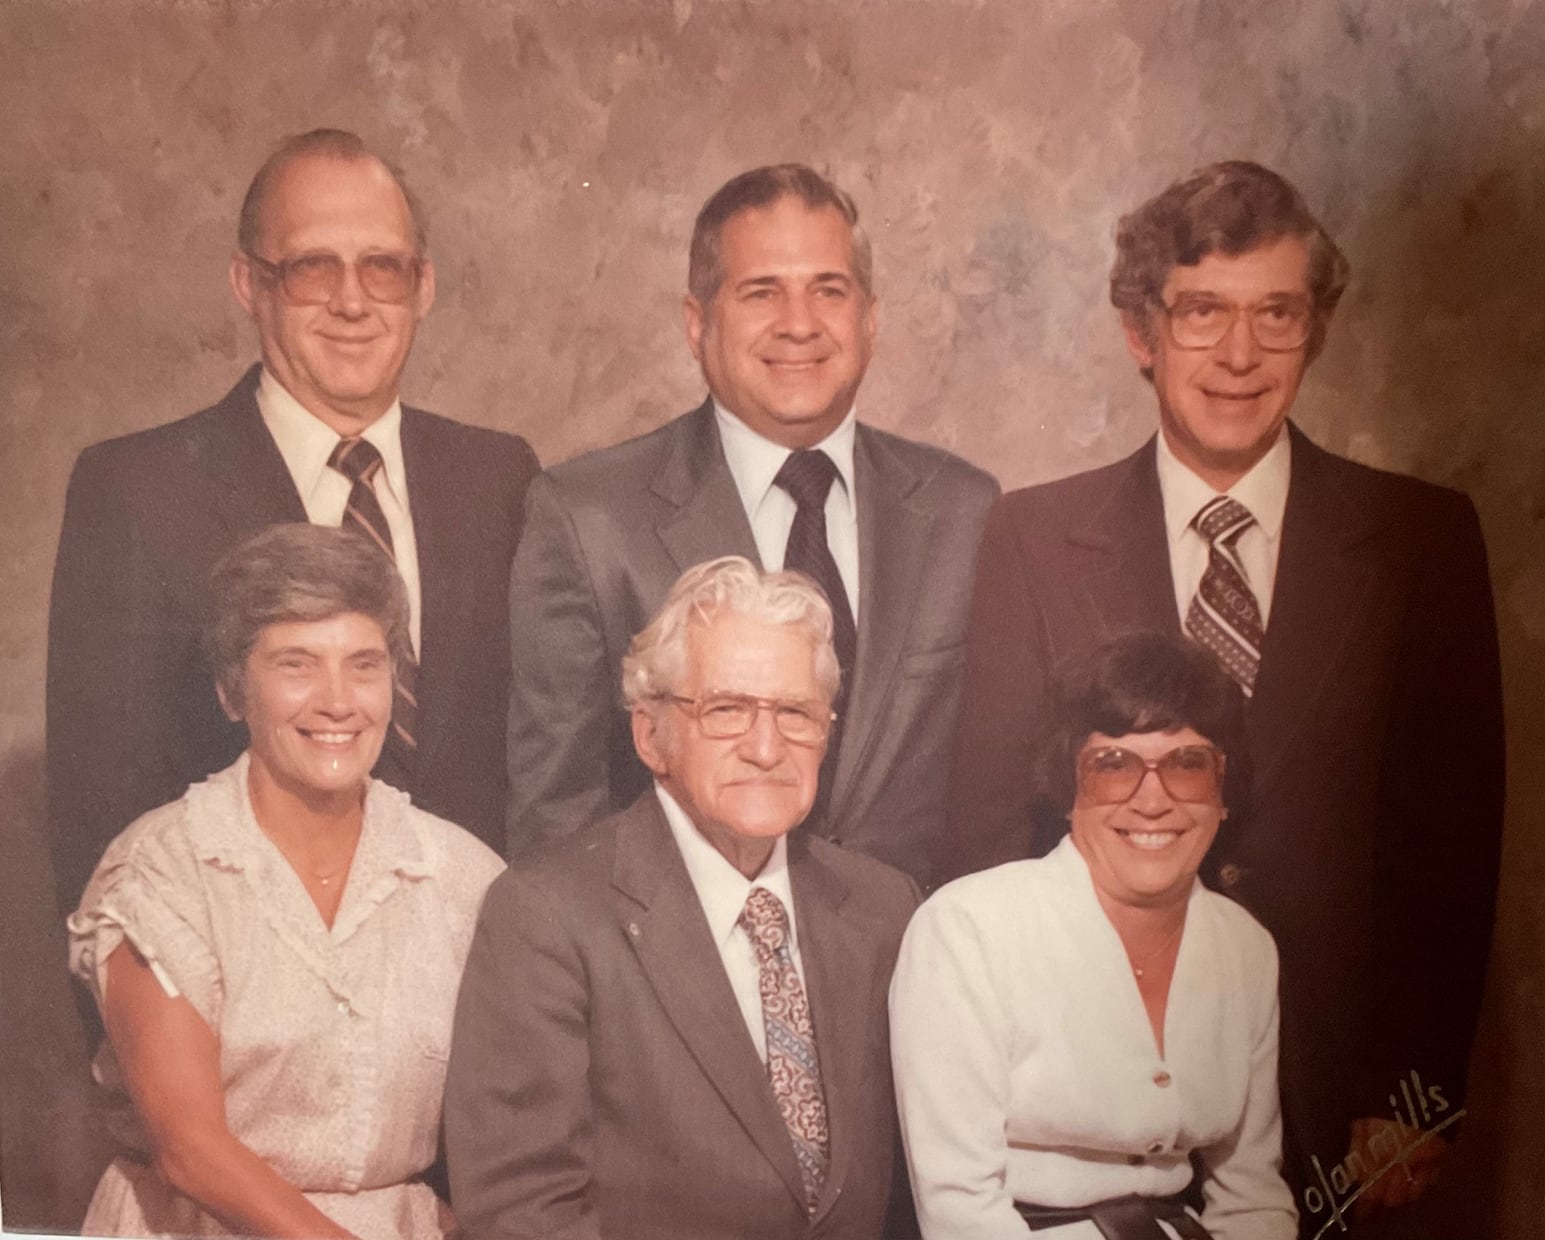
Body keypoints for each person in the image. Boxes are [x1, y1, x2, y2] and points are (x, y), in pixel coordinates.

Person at [942, 161, 1504, 1228]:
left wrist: (1410, 1094)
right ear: (1140, 333)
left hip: (1343, 1101)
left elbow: (1450, 851)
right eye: (1202, 313)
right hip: (1089, 1091)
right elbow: (986, 838)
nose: (1238, 356)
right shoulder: (1032, 538)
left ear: (1315, 330)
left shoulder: (1419, 541)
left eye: (1275, 315)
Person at [47, 128, 537, 915]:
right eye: (313, 269)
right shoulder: (137, 493)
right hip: (246, 998)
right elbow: (101, 826)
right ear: (248, 284)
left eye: (382, 267)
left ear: (424, 286)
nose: (352, 302)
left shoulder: (501, 477)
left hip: (483, 976)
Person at [506, 162, 997, 884]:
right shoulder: (589, 519)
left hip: (919, 970)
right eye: (761, 292)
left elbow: (996, 804)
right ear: (697, 323)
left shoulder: (966, 512)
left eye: (829, 291)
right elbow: (557, 826)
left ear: (870, 318)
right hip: (678, 983)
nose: (799, 325)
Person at [446, 556, 919, 1240]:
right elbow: (523, 1213)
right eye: (727, 710)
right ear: (650, 735)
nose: (766, 747)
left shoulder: (884, 907)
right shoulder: (546, 916)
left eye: (795, 712)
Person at [67, 524, 505, 1239]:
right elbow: (190, 1151)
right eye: (297, 665)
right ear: (233, 691)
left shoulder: (463, 874)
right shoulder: (163, 869)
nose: (338, 702)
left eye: (364, 666)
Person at [895, 633, 1295, 1240]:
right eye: (1114, 766)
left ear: (1222, 789)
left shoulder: (1245, 948)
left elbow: (1254, 1200)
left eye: (1187, 764)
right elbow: (959, 1210)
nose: (1153, 801)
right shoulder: (969, 930)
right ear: (1068, 786)